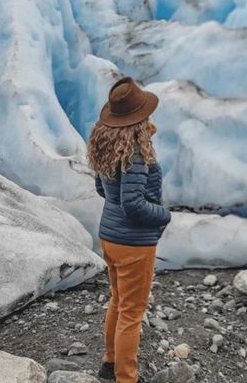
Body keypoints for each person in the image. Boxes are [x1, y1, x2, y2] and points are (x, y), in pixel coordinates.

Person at [87, 77, 172, 383]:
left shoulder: (109, 145)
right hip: (134, 244)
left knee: (118, 302)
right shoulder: (134, 152)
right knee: (132, 314)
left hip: (110, 237)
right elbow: (133, 204)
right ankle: (126, 378)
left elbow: (103, 189)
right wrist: (163, 216)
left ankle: (109, 364)